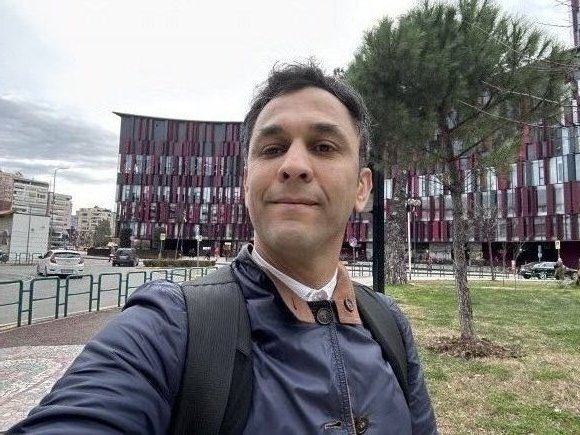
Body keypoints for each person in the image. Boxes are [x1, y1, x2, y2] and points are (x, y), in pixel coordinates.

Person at [9, 62, 437, 434]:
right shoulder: (171, 326)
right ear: (246, 183)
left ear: (362, 187)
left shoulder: (389, 325)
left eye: (324, 147)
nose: (293, 165)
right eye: (272, 149)